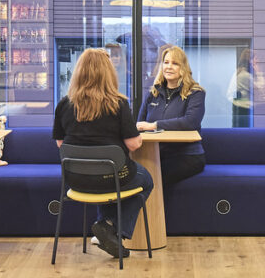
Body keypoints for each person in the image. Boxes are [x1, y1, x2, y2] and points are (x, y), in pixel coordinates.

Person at [52, 47, 148, 260]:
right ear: (108, 73)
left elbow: (60, 144)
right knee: (145, 180)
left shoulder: (64, 104)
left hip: (75, 180)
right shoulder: (118, 104)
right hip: (112, 178)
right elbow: (133, 145)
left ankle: (107, 230)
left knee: (105, 178)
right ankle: (111, 228)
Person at [136, 45, 207, 190]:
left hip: (186, 156)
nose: (169, 67)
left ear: (183, 68)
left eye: (175, 63)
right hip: (156, 154)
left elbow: (190, 122)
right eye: (166, 62)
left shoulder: (196, 93)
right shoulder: (152, 93)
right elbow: (140, 124)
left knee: (150, 177)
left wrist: (155, 125)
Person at [227, 50, 259, 127]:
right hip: (244, 108)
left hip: (237, 107)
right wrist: (259, 72)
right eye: (255, 59)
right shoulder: (245, 75)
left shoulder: (237, 72)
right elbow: (259, 91)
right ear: (250, 61)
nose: (257, 61)